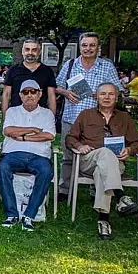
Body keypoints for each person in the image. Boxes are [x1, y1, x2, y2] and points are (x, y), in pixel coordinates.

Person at [65, 82, 138, 240]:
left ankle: (104, 221)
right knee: (105, 153)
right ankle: (120, 196)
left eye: (111, 94)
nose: (107, 97)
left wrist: (129, 150)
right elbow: (70, 138)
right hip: (89, 159)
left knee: (102, 171)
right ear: (96, 97)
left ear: (117, 97)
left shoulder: (124, 117)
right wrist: (80, 146)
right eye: (103, 94)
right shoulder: (86, 115)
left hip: (115, 164)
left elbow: (137, 143)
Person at [56, 32, 121, 199]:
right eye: (85, 45)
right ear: (80, 47)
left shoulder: (107, 66)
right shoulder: (70, 65)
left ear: (98, 48)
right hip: (71, 117)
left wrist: (101, 94)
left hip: (97, 121)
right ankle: (64, 189)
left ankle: (96, 189)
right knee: (68, 155)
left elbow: (118, 89)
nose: (88, 48)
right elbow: (56, 86)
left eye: (92, 45)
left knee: (97, 153)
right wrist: (66, 92)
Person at [0, 80, 55, 231]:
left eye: (33, 92)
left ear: (39, 94)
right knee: (2, 168)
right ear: (20, 95)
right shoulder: (12, 111)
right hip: (14, 154)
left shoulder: (47, 113)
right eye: (25, 92)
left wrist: (23, 137)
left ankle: (29, 215)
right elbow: (8, 131)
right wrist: (33, 129)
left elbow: (49, 135)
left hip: (39, 156)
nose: (29, 95)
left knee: (46, 171)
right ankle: (12, 214)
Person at [1, 39, 57, 118]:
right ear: (22, 51)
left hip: (40, 117)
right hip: (17, 117)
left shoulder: (47, 71)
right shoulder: (13, 70)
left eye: (34, 50)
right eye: (27, 49)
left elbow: (51, 97)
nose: (30, 53)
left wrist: (52, 119)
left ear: (39, 52)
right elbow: (6, 95)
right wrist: (5, 118)